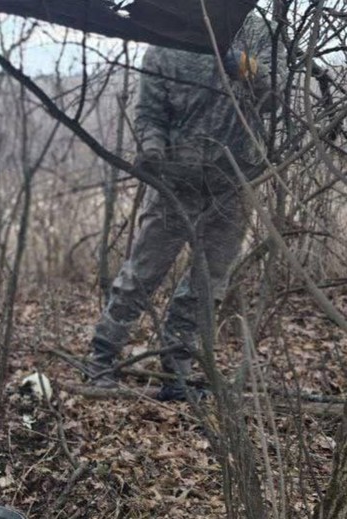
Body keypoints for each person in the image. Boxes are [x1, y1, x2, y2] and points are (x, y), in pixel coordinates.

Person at [87, 11, 286, 401]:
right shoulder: (166, 36)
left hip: (233, 180)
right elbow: (150, 113)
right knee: (143, 273)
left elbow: (273, 98)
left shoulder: (256, 31)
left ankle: (176, 376)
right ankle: (101, 361)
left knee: (206, 285)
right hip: (175, 180)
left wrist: (244, 68)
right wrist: (153, 151)